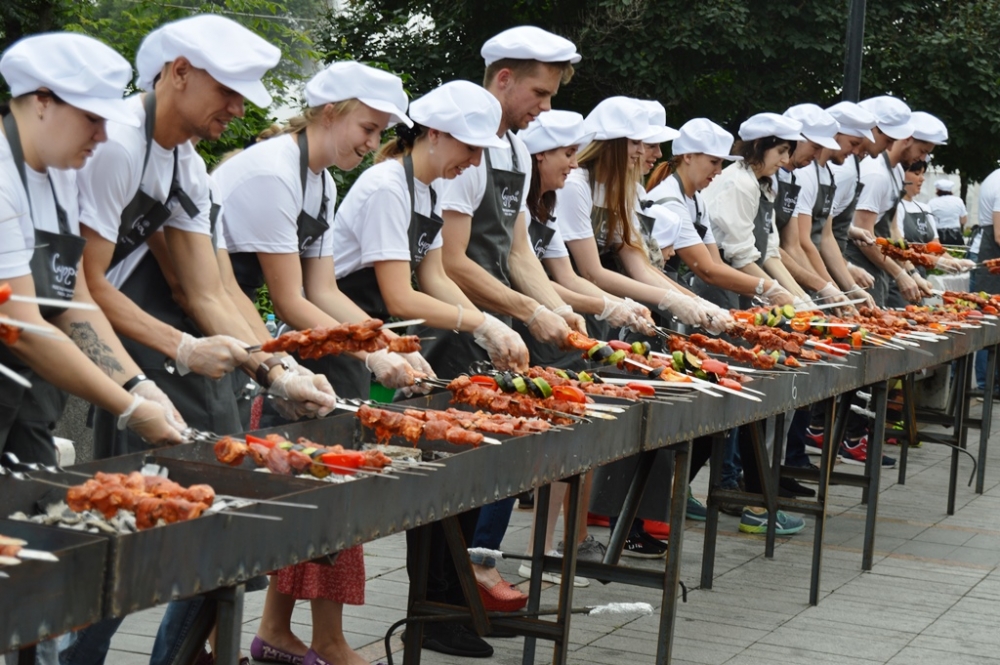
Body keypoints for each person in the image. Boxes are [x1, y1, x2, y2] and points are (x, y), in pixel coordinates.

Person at [64, 16, 337, 665]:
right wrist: (167, 363)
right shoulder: (120, 143)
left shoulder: (184, 163)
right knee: (99, 539)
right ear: (177, 72)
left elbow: (207, 292)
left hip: (94, 332)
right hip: (65, 336)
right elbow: (85, 285)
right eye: (229, 90)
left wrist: (278, 369)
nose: (238, 108)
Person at [214, 60, 430, 665]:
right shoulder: (271, 174)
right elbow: (286, 298)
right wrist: (284, 368)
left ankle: (247, 642)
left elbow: (324, 291)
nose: (372, 142)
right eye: (367, 127)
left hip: (243, 340)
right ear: (328, 113)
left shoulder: (321, 181)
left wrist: (377, 346)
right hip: (214, 338)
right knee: (218, 524)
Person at [418, 27, 592, 658]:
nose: (543, 109)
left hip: (490, 327)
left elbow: (517, 251)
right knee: (445, 480)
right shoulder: (470, 149)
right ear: (502, 80)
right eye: (538, 93)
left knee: (481, 474)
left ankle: (458, 599)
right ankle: (433, 611)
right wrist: (510, 315)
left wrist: (554, 309)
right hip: (448, 332)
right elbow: (457, 262)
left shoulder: (516, 150)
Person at [333, 80, 535, 606]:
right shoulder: (385, 186)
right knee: (330, 505)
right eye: (469, 148)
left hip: (375, 343)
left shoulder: (426, 188)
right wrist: (479, 324)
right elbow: (400, 296)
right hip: (339, 343)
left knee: (342, 506)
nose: (472, 162)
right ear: (437, 135)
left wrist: (487, 320)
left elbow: (436, 276)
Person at [0, 33, 184, 461]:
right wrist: (129, 408)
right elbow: (22, 326)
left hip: (23, 390)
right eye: (91, 118)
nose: (103, 135)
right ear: (42, 101)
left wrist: (137, 383)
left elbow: (73, 298)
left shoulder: (61, 172)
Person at [555, 97, 732, 335]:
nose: (644, 151)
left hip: (602, 310)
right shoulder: (576, 186)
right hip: (567, 306)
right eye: (637, 142)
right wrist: (669, 301)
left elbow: (640, 266)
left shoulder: (618, 190)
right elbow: (591, 272)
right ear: (611, 143)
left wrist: (695, 302)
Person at [886, 158, 973, 308]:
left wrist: (953, 262)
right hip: (899, 282)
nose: (922, 178)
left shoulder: (924, 208)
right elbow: (899, 249)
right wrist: (938, 264)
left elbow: (935, 248)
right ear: (901, 174)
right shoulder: (896, 207)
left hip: (921, 283)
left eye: (923, 174)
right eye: (916, 173)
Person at [928, 178, 968, 247]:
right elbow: (963, 221)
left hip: (938, 236)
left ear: (938, 190)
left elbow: (928, 220)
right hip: (956, 236)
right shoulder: (958, 201)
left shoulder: (932, 202)